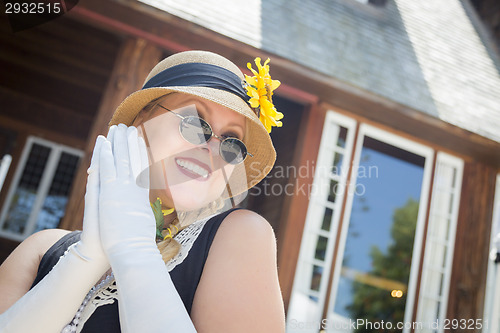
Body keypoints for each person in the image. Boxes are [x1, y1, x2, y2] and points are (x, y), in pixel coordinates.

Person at [0, 50, 286, 332]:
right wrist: (86, 260)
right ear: (140, 126)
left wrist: (134, 250)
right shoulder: (41, 249)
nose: (212, 150)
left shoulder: (243, 235)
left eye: (232, 143)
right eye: (196, 123)